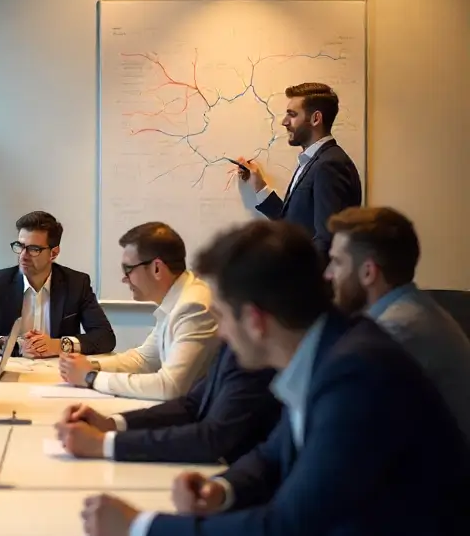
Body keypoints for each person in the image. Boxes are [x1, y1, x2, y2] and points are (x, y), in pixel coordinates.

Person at [80, 220, 470, 536]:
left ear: (257, 319)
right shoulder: (333, 348)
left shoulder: (356, 372)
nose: (219, 331)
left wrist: (140, 529)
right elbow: (273, 454)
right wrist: (222, 489)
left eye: (223, 315)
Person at [326, 205, 470, 443]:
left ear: (368, 273)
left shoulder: (395, 332)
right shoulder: (412, 309)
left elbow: (341, 427)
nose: (328, 274)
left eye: (337, 262)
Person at [58, 222, 219, 400]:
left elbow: (170, 387)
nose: (124, 279)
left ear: (157, 268)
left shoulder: (192, 307)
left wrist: (91, 377)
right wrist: (89, 365)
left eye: (128, 269)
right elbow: (143, 359)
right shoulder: (179, 298)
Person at [54, 342, 278, 464]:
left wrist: (103, 444)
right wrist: (111, 425)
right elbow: (191, 405)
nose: (216, 325)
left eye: (219, 309)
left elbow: (212, 438)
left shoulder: (254, 352)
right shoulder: (233, 342)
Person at [0, 210, 115, 358]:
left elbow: (105, 337)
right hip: (13, 370)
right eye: (20, 246)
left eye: (33, 249)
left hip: (60, 371)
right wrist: (10, 345)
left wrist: (59, 345)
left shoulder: (76, 283)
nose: (23, 255)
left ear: (53, 253)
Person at [236, 81, 361, 259]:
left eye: (292, 115)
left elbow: (327, 241)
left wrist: (298, 282)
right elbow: (294, 225)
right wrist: (260, 187)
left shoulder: (329, 165)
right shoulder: (314, 161)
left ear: (315, 118)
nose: (284, 122)